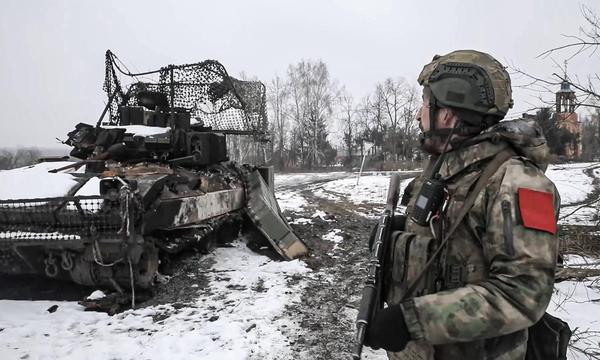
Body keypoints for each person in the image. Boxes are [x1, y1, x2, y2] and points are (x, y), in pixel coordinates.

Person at [364, 50, 561, 359]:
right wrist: (404, 233)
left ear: (448, 113)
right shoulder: (446, 170)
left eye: (425, 103)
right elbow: (452, 242)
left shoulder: (519, 183)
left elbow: (524, 294)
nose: (418, 115)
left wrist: (412, 320)